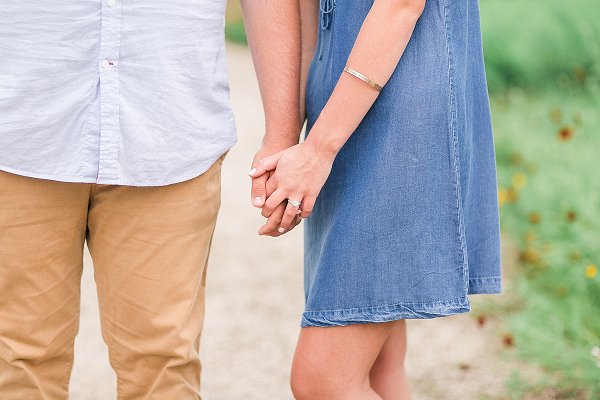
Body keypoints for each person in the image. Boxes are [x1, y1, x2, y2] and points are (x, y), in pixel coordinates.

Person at [0, 1, 300, 399]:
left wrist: (282, 134)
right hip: (20, 134)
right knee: (17, 361)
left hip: (170, 134)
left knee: (163, 368)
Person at [249, 0, 502, 398]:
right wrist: (286, 136)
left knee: (324, 381)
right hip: (341, 107)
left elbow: (400, 5)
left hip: (399, 112)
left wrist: (317, 150)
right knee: (379, 368)